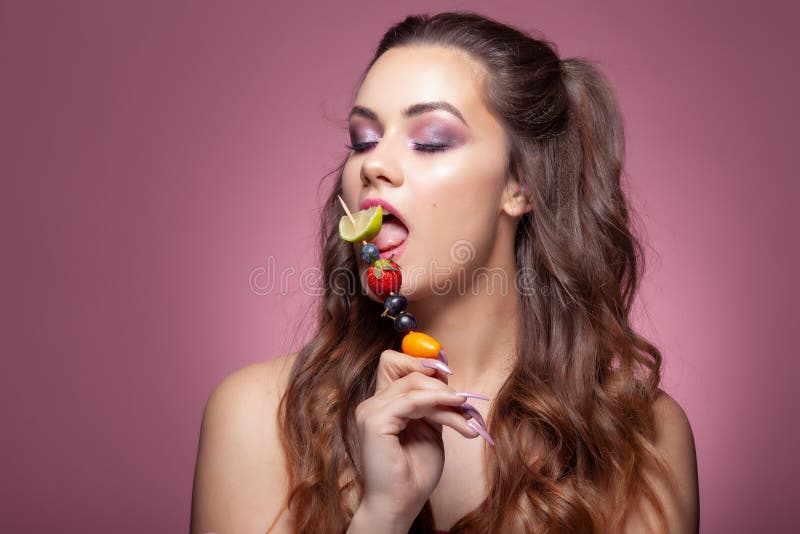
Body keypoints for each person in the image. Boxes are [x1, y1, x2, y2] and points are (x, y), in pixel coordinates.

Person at [190, 10, 699, 534]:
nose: (372, 165)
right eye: (363, 140)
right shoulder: (257, 419)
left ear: (520, 183)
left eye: (430, 141)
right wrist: (382, 517)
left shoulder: (642, 438)